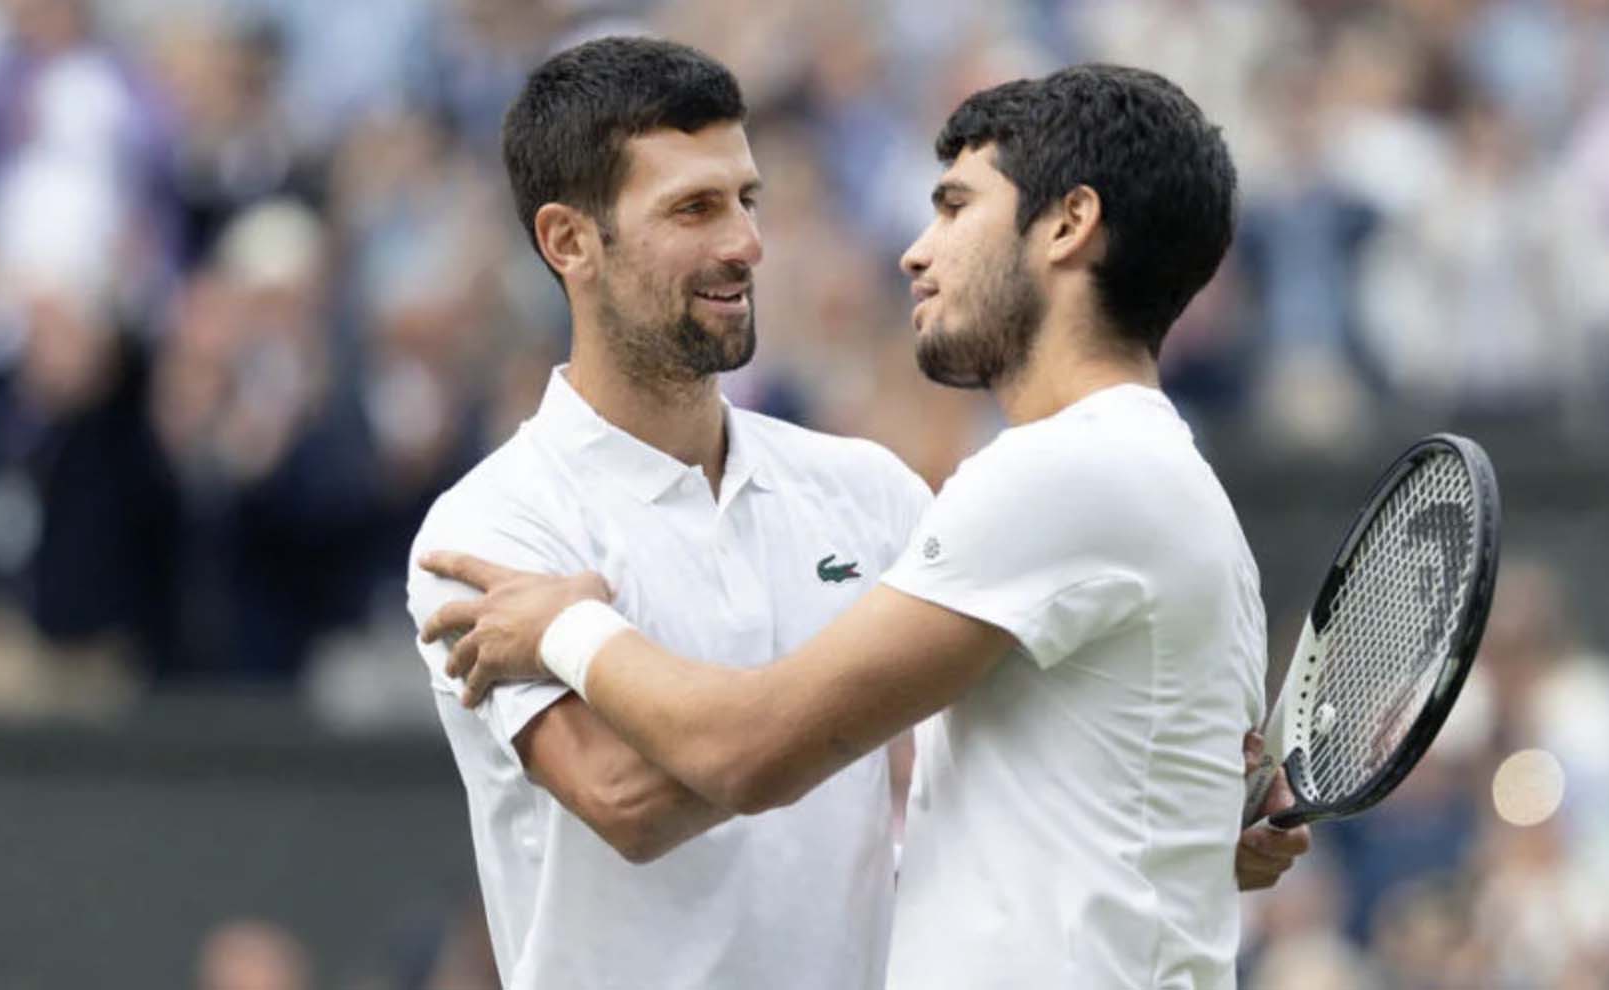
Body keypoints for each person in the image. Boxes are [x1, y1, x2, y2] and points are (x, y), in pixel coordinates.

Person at [424, 61, 1307, 988]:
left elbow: (755, 751)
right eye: (695, 210)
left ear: (1069, 224)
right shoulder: (489, 525)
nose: (749, 243)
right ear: (569, 241)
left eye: (748, 200)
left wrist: (565, 629)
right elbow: (624, 796)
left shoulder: (930, 488)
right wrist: (1187, 802)